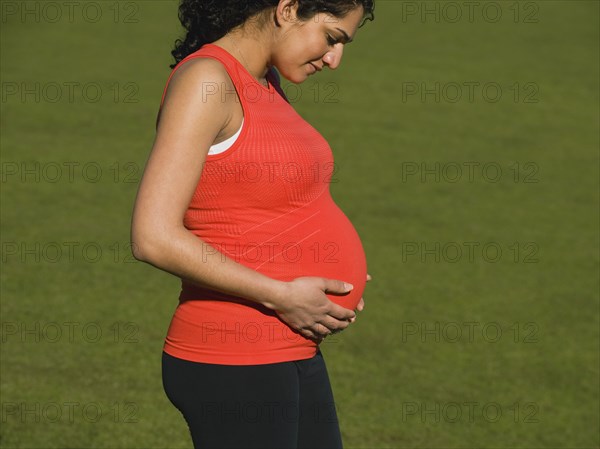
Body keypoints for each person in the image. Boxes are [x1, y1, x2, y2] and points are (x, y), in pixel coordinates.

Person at [130, 0, 375, 447]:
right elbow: (153, 237)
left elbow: (269, 209)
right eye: (332, 38)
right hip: (234, 356)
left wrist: (331, 278)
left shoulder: (264, 81)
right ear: (287, 9)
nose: (334, 59)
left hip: (289, 348)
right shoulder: (206, 81)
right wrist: (283, 294)